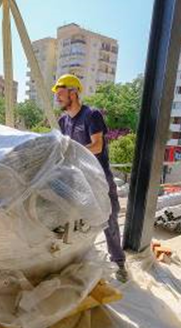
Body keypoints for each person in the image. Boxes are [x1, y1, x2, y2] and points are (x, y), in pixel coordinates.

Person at [52, 74, 128, 283]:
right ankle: (76, 260)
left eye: (61, 93)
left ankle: (119, 263)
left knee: (109, 219)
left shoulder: (91, 115)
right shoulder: (63, 120)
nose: (57, 97)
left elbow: (97, 145)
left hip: (99, 178)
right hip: (77, 180)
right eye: (56, 94)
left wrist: (73, 154)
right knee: (72, 220)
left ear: (74, 93)